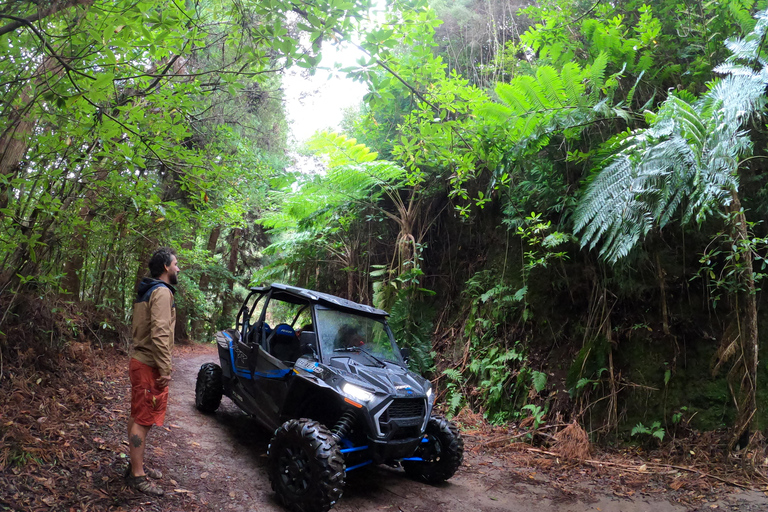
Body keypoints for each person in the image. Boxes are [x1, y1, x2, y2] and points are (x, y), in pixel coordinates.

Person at [125, 247, 180, 496]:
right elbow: (160, 332)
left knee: (139, 416)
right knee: (143, 418)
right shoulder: (161, 291)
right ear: (166, 267)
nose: (178, 268)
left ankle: (135, 466)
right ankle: (137, 476)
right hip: (149, 364)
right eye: (176, 264)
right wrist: (165, 367)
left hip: (142, 361)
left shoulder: (148, 290)